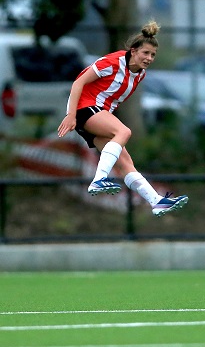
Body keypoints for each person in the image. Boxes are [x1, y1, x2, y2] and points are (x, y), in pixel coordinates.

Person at [57, 20, 188, 217]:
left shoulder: (139, 75)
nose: (149, 58)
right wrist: (71, 114)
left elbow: (112, 99)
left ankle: (156, 201)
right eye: (145, 53)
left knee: (126, 163)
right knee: (123, 131)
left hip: (99, 112)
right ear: (133, 51)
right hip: (86, 108)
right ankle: (99, 179)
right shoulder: (112, 62)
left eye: (153, 55)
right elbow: (78, 83)